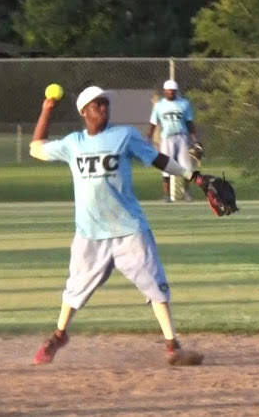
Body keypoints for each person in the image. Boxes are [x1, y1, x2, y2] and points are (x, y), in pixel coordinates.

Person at [29, 85, 204, 366]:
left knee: (155, 285)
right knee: (75, 289)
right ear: (84, 111)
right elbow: (36, 148)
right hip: (90, 232)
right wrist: (46, 110)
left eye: (105, 104)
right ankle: (59, 335)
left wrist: (192, 176)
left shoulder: (124, 136)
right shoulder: (73, 143)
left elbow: (158, 159)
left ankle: (173, 345)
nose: (103, 108)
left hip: (130, 229)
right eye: (97, 104)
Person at [147, 80, 199, 202]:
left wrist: (194, 138)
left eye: (173, 91)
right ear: (165, 91)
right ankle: (167, 194)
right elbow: (153, 123)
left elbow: (189, 122)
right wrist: (148, 137)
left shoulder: (184, 104)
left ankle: (187, 192)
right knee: (166, 166)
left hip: (182, 137)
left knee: (186, 166)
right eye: (169, 90)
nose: (171, 92)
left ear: (176, 91)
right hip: (166, 138)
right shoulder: (159, 105)